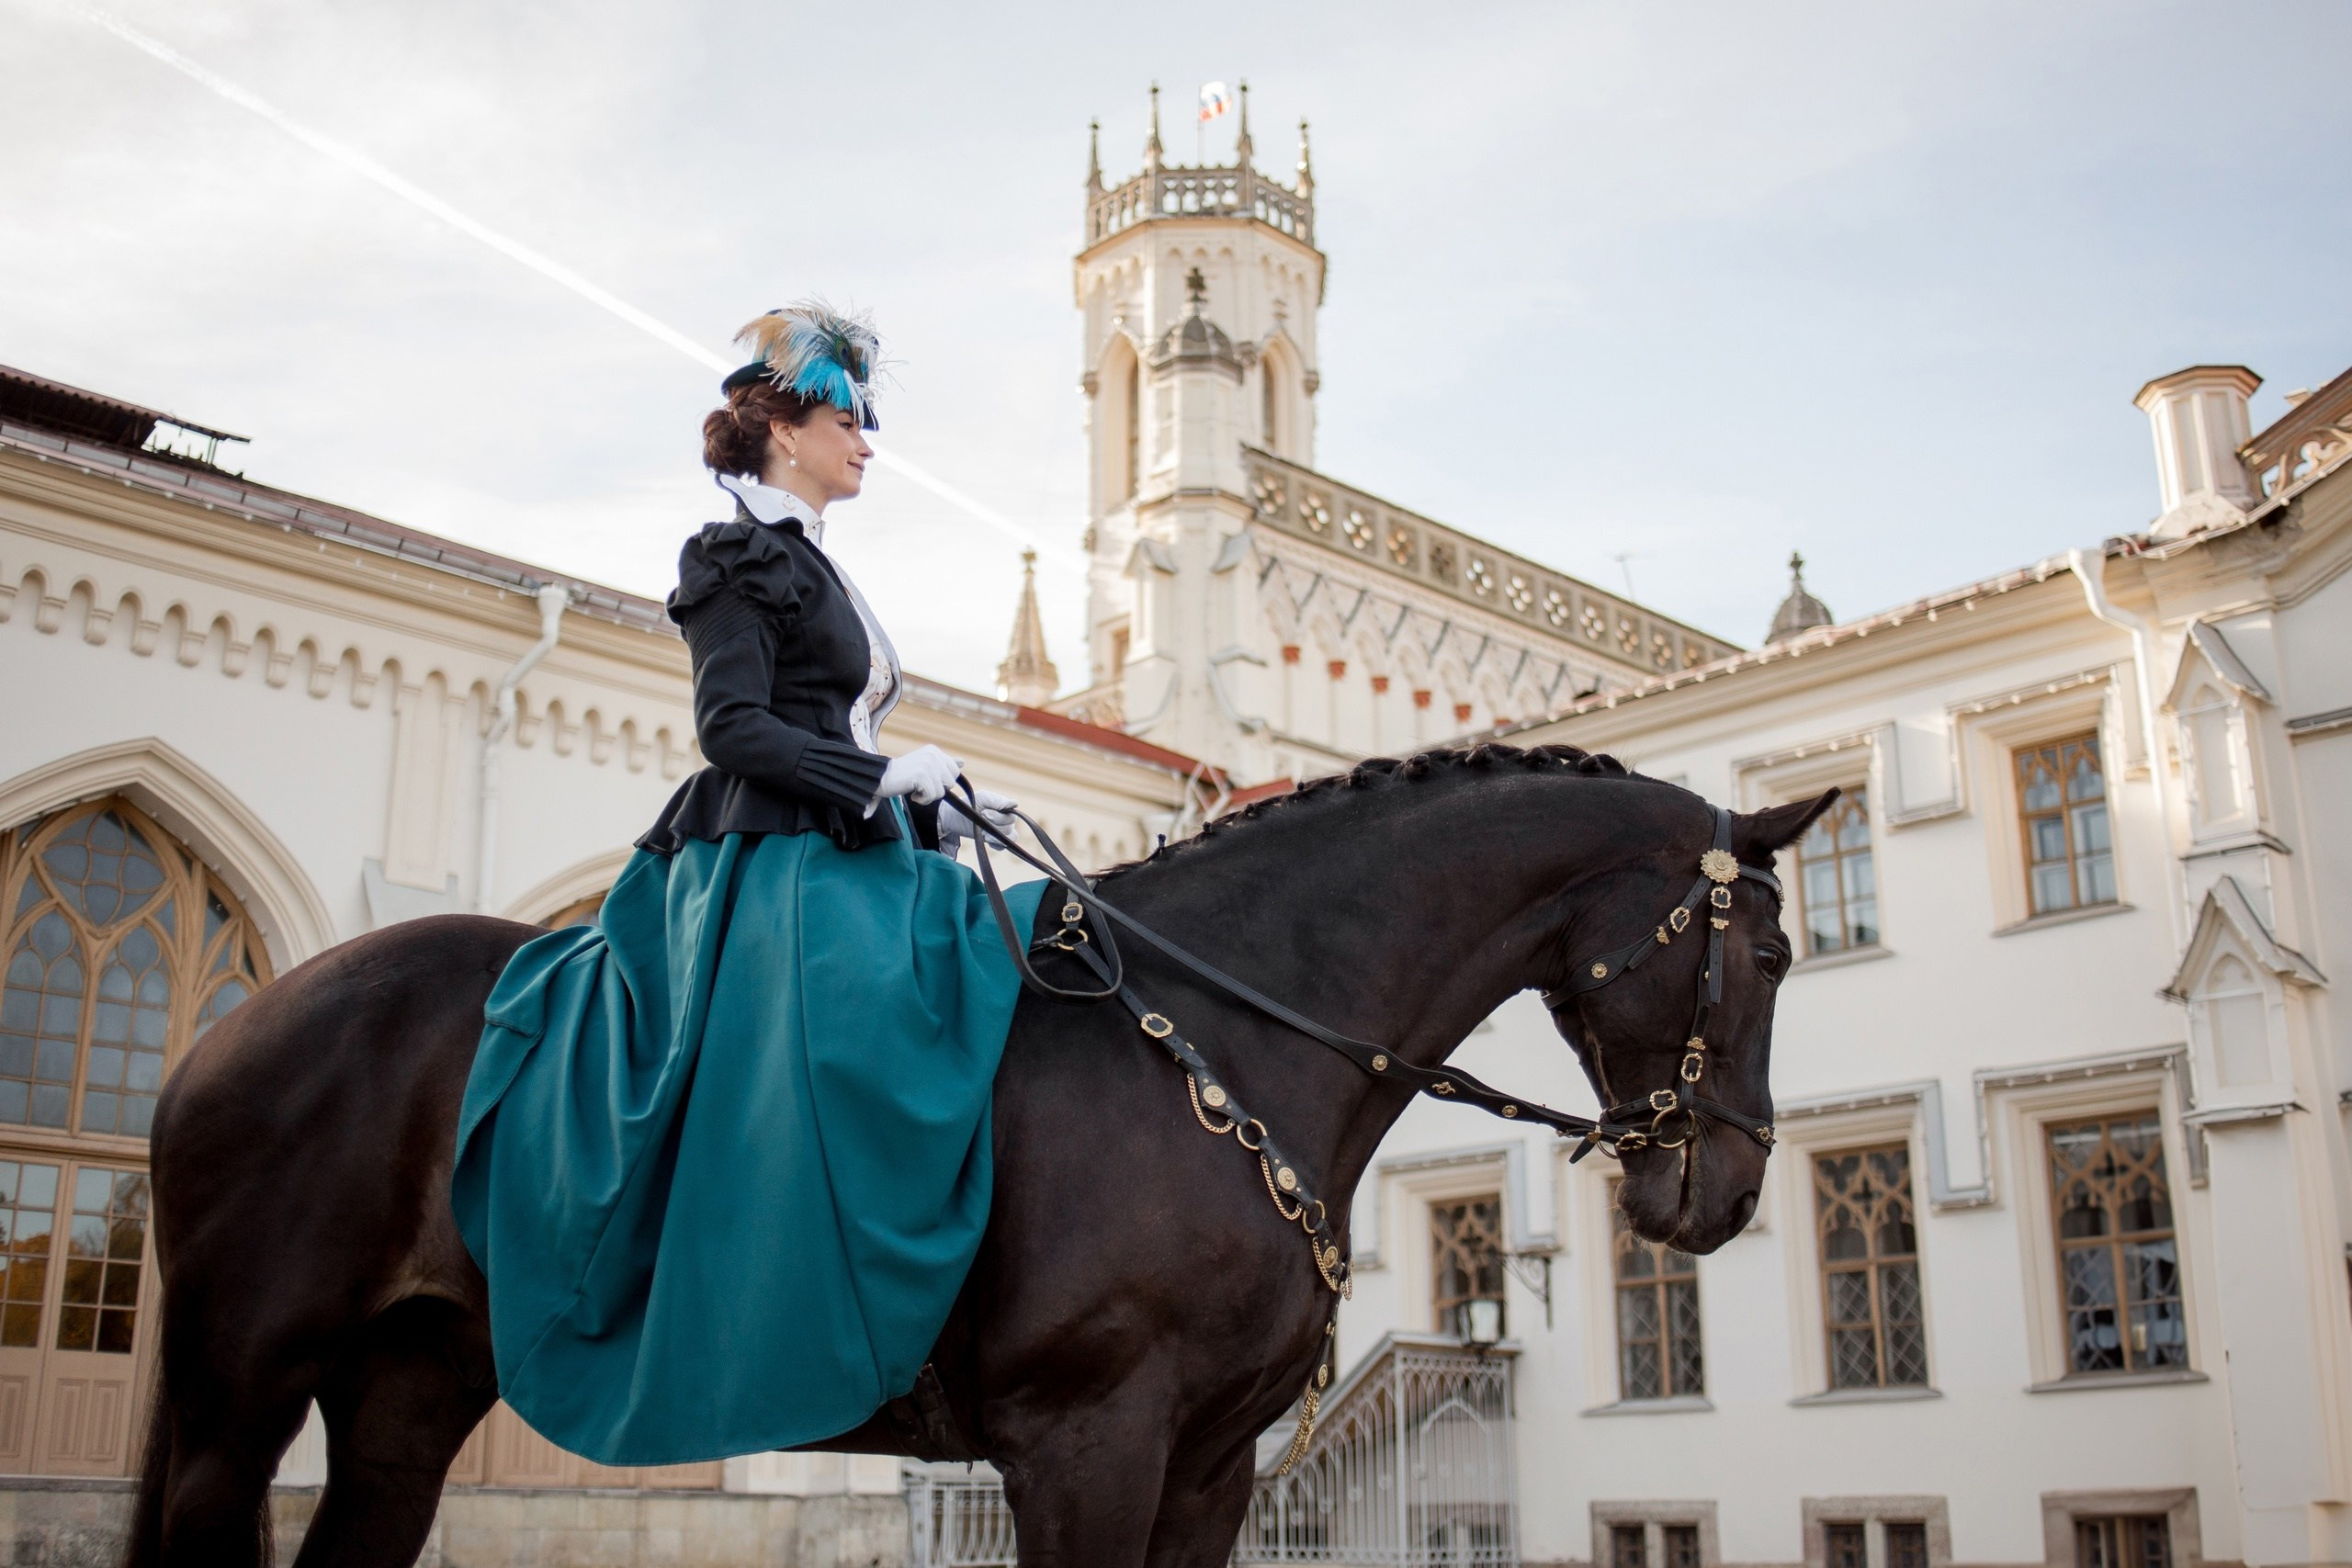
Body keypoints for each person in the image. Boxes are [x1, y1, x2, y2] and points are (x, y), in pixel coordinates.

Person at [449, 304, 1047, 1465]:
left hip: (849, 830)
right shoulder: (732, 554)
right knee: (859, 1015)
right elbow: (733, 730)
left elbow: (828, 716)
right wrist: (881, 774)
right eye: (848, 420)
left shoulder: (817, 560)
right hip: (767, 851)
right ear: (782, 428)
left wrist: (924, 795)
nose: (867, 442)